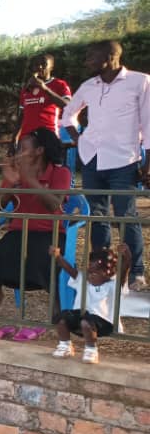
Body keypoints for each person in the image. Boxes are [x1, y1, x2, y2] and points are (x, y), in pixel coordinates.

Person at [62, 40, 150, 289]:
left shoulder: (140, 81)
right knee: (97, 217)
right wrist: (80, 140)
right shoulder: (88, 86)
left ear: (111, 56)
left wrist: (148, 165)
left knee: (126, 217)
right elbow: (67, 115)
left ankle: (136, 273)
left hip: (124, 160)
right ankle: (102, 271)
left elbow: (149, 123)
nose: (86, 61)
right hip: (92, 159)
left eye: (92, 56)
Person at [0, 128, 72, 314]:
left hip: (50, 233)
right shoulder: (17, 174)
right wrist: (11, 183)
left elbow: (54, 204)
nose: (18, 154)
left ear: (39, 151)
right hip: (19, 232)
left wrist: (31, 180)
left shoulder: (60, 173)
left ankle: (59, 314)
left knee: (46, 262)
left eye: (22, 149)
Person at [50, 244, 130, 365]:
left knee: (86, 322)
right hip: (81, 318)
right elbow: (69, 270)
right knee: (61, 318)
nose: (90, 275)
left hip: (103, 323)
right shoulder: (83, 280)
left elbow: (124, 271)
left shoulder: (113, 285)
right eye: (89, 272)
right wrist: (57, 257)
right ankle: (65, 345)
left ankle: (91, 350)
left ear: (108, 273)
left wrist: (126, 256)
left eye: (95, 273)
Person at [17, 53, 72, 140]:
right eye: (36, 64)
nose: (39, 67)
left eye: (44, 64)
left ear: (51, 67)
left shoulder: (59, 84)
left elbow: (68, 105)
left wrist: (45, 89)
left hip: (49, 134)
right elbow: (22, 116)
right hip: (27, 136)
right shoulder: (27, 88)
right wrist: (15, 138)